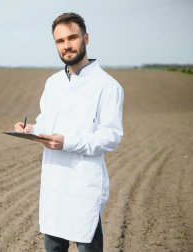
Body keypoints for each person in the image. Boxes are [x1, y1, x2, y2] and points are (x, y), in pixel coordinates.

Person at [14, 12, 124, 252]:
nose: (66, 45)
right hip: (54, 184)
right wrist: (32, 129)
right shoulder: (53, 83)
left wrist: (68, 142)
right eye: (60, 41)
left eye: (72, 38)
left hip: (84, 185)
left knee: (87, 245)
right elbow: (46, 122)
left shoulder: (107, 86)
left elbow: (111, 137)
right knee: (52, 247)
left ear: (86, 38)